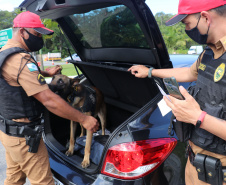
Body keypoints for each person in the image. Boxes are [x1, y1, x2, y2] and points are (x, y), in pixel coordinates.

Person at [129, 0, 226, 184]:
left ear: (205, 17)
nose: (186, 31)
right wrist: (150, 72)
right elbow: (189, 72)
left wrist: (198, 117)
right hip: (194, 166)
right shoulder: (209, 52)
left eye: (187, 24)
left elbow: (199, 117)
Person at [0, 11, 99, 185]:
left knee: (14, 178)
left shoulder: (4, 53)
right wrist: (84, 119)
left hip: (8, 132)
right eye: (37, 34)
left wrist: (45, 72)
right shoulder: (21, 59)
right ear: (22, 31)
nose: (40, 39)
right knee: (44, 182)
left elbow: (14, 77)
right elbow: (48, 99)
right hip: (25, 137)